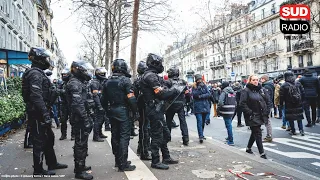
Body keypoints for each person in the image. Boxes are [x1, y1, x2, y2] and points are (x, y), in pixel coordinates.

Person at [22, 47, 68, 175]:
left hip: (40, 111)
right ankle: (38, 170)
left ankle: (52, 163)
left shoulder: (38, 72)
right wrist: (44, 113)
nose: (47, 60)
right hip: (37, 113)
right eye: (45, 58)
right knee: (39, 140)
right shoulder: (35, 74)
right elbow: (36, 96)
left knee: (49, 138)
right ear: (40, 59)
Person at [139, 53, 179, 170]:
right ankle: (155, 161)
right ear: (155, 63)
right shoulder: (150, 76)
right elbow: (161, 93)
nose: (162, 66)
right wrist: (174, 90)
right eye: (160, 63)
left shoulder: (152, 75)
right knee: (157, 135)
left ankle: (166, 156)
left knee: (165, 134)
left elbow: (162, 89)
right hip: (154, 109)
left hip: (157, 109)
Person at [101, 59, 137, 171]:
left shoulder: (107, 81)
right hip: (123, 111)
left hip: (112, 110)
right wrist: (135, 111)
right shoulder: (126, 80)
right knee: (124, 137)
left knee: (115, 135)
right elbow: (131, 98)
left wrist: (107, 110)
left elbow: (103, 99)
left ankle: (118, 160)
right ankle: (123, 164)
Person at [66, 60, 94, 180]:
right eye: (85, 70)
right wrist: (85, 119)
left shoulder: (79, 82)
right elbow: (77, 104)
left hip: (82, 116)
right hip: (79, 118)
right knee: (80, 143)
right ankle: (79, 170)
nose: (87, 72)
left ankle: (81, 166)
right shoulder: (74, 83)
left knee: (83, 142)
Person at [240, 75, 271, 159]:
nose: (256, 81)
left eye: (257, 80)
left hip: (261, 114)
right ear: (249, 81)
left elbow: (268, 100)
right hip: (252, 115)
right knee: (258, 132)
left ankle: (248, 148)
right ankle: (262, 153)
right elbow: (242, 103)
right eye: (253, 80)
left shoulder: (261, 90)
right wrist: (250, 112)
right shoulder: (246, 91)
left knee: (255, 132)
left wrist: (267, 111)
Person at [164, 66, 189, 146]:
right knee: (183, 122)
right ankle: (186, 138)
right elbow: (187, 93)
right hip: (181, 103)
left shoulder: (167, 82)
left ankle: (167, 138)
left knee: (168, 121)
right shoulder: (183, 82)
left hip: (171, 104)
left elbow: (165, 93)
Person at [134, 61, 152, 160]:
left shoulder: (137, 80)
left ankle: (141, 148)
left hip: (140, 106)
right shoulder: (144, 80)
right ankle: (144, 151)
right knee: (145, 128)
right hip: (144, 106)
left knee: (143, 128)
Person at [280, 71, 305, 136]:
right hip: (298, 103)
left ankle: (293, 130)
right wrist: (302, 101)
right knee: (299, 117)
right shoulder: (298, 83)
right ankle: (301, 130)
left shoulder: (284, 85)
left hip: (289, 104)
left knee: (291, 118)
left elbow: (281, 96)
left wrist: (281, 104)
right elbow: (302, 92)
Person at [90, 67, 108, 142]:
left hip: (101, 103)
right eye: (102, 74)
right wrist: (99, 106)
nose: (103, 75)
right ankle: (96, 136)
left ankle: (100, 133)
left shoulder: (101, 81)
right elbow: (95, 95)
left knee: (102, 119)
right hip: (97, 104)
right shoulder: (95, 82)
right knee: (98, 120)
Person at [192, 74, 211, 144]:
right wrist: (199, 89)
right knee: (199, 122)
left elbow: (209, 94)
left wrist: (201, 96)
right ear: (196, 80)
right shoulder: (194, 87)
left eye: (201, 79)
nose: (200, 81)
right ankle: (200, 136)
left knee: (203, 122)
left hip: (205, 106)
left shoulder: (204, 86)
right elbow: (195, 95)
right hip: (198, 107)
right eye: (198, 80)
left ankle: (202, 134)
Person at [218, 81, 236, 146]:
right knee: (229, 124)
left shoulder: (224, 92)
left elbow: (220, 102)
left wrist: (220, 107)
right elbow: (235, 101)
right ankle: (229, 137)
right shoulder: (233, 92)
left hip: (226, 110)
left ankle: (231, 140)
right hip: (232, 110)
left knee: (228, 125)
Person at [58, 68, 75, 140]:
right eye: (63, 74)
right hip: (64, 104)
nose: (64, 76)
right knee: (63, 120)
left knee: (73, 120)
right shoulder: (62, 83)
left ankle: (73, 135)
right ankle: (63, 135)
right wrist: (62, 91)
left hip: (71, 104)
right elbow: (57, 90)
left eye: (65, 74)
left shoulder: (72, 83)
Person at [260, 75, 274, 142]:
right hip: (269, 104)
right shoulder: (270, 85)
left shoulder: (266, 86)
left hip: (266, 105)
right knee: (267, 120)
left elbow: (267, 97)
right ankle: (269, 135)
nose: (260, 80)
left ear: (264, 79)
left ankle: (269, 136)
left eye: (261, 79)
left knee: (267, 121)